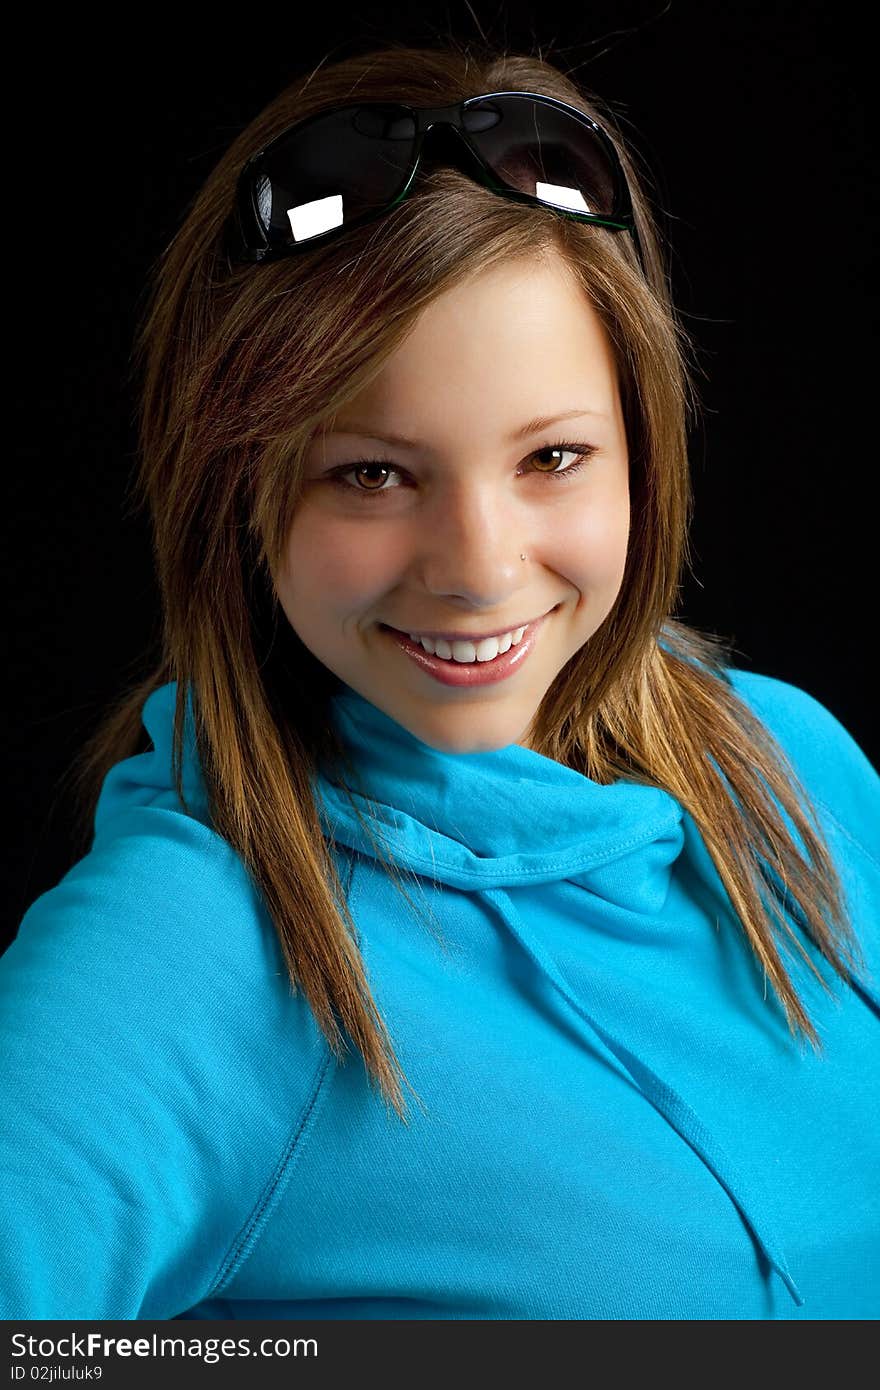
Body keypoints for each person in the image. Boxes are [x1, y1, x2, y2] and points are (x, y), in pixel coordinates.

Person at [1, 40, 878, 1323]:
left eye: (553, 457)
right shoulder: (191, 948)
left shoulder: (785, 760)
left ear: (643, 449)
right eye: (372, 473)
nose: (478, 569)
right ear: (237, 491)